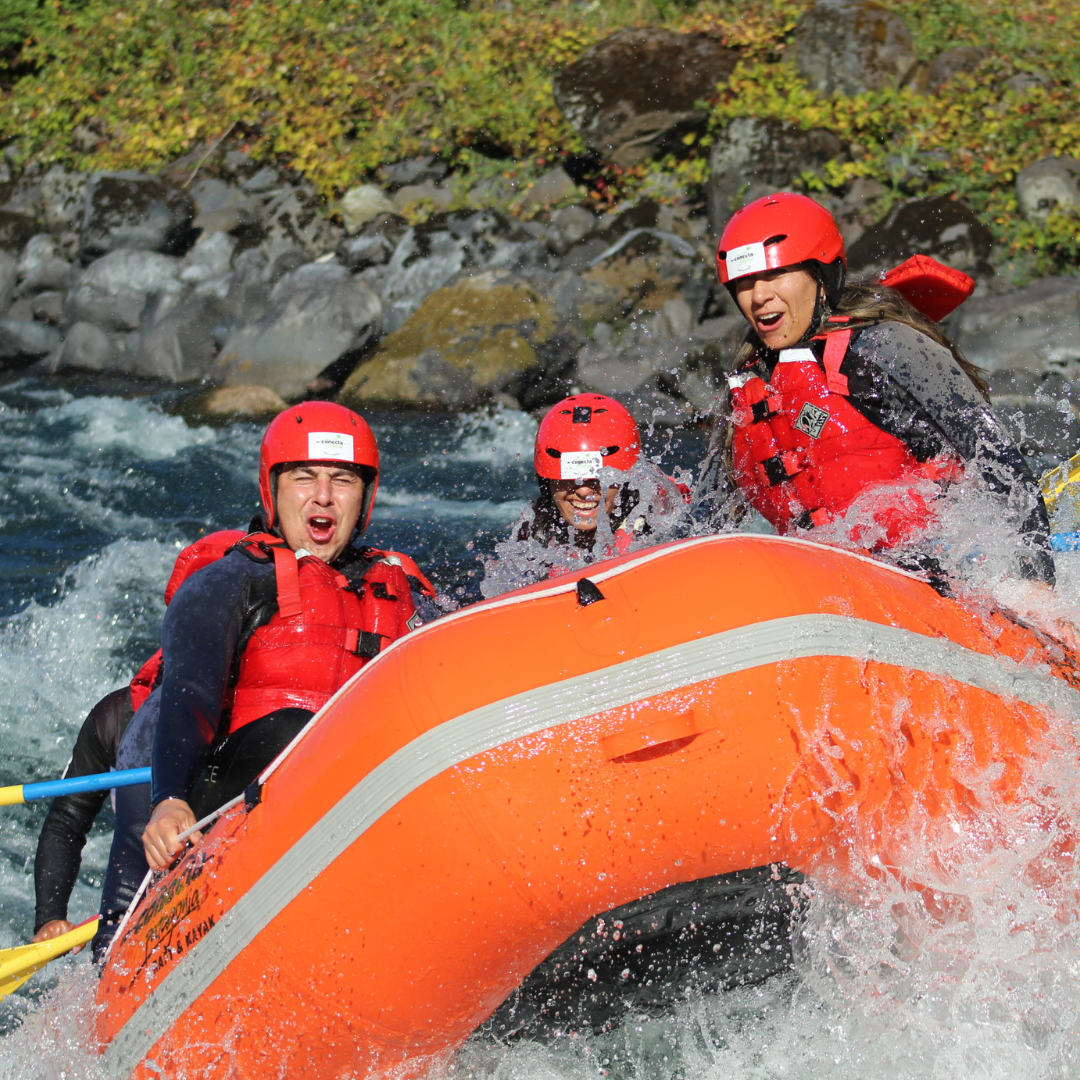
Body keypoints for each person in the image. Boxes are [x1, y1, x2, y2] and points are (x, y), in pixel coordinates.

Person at [697, 191, 1057, 593]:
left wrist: (1036, 583)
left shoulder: (885, 346)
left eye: (776, 274)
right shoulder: (748, 385)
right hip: (826, 585)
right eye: (744, 283)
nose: (759, 295)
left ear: (822, 276)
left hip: (940, 576)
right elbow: (705, 519)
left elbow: (999, 461)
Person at [141, 401, 436, 874]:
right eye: (304, 477)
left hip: (361, 807)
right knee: (296, 730)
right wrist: (170, 799)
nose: (324, 496)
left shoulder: (403, 590)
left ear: (365, 496)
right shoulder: (229, 583)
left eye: (343, 480)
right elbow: (188, 695)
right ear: (272, 489)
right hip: (235, 801)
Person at [482, 395, 688, 596]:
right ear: (547, 483)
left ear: (625, 479)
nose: (582, 491)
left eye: (598, 478)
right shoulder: (534, 533)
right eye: (567, 478)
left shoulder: (657, 512)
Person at [31, 687, 133, 950]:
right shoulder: (112, 718)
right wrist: (50, 918)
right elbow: (66, 821)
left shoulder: (235, 716)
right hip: (140, 871)